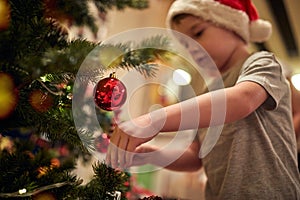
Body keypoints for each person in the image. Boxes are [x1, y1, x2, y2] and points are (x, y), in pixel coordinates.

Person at [106, 0, 300, 199]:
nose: (192, 48)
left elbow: (243, 99)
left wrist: (153, 120)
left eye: (198, 33)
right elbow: (196, 155)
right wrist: (151, 154)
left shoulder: (262, 62)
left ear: (232, 25)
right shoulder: (209, 90)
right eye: (186, 44)